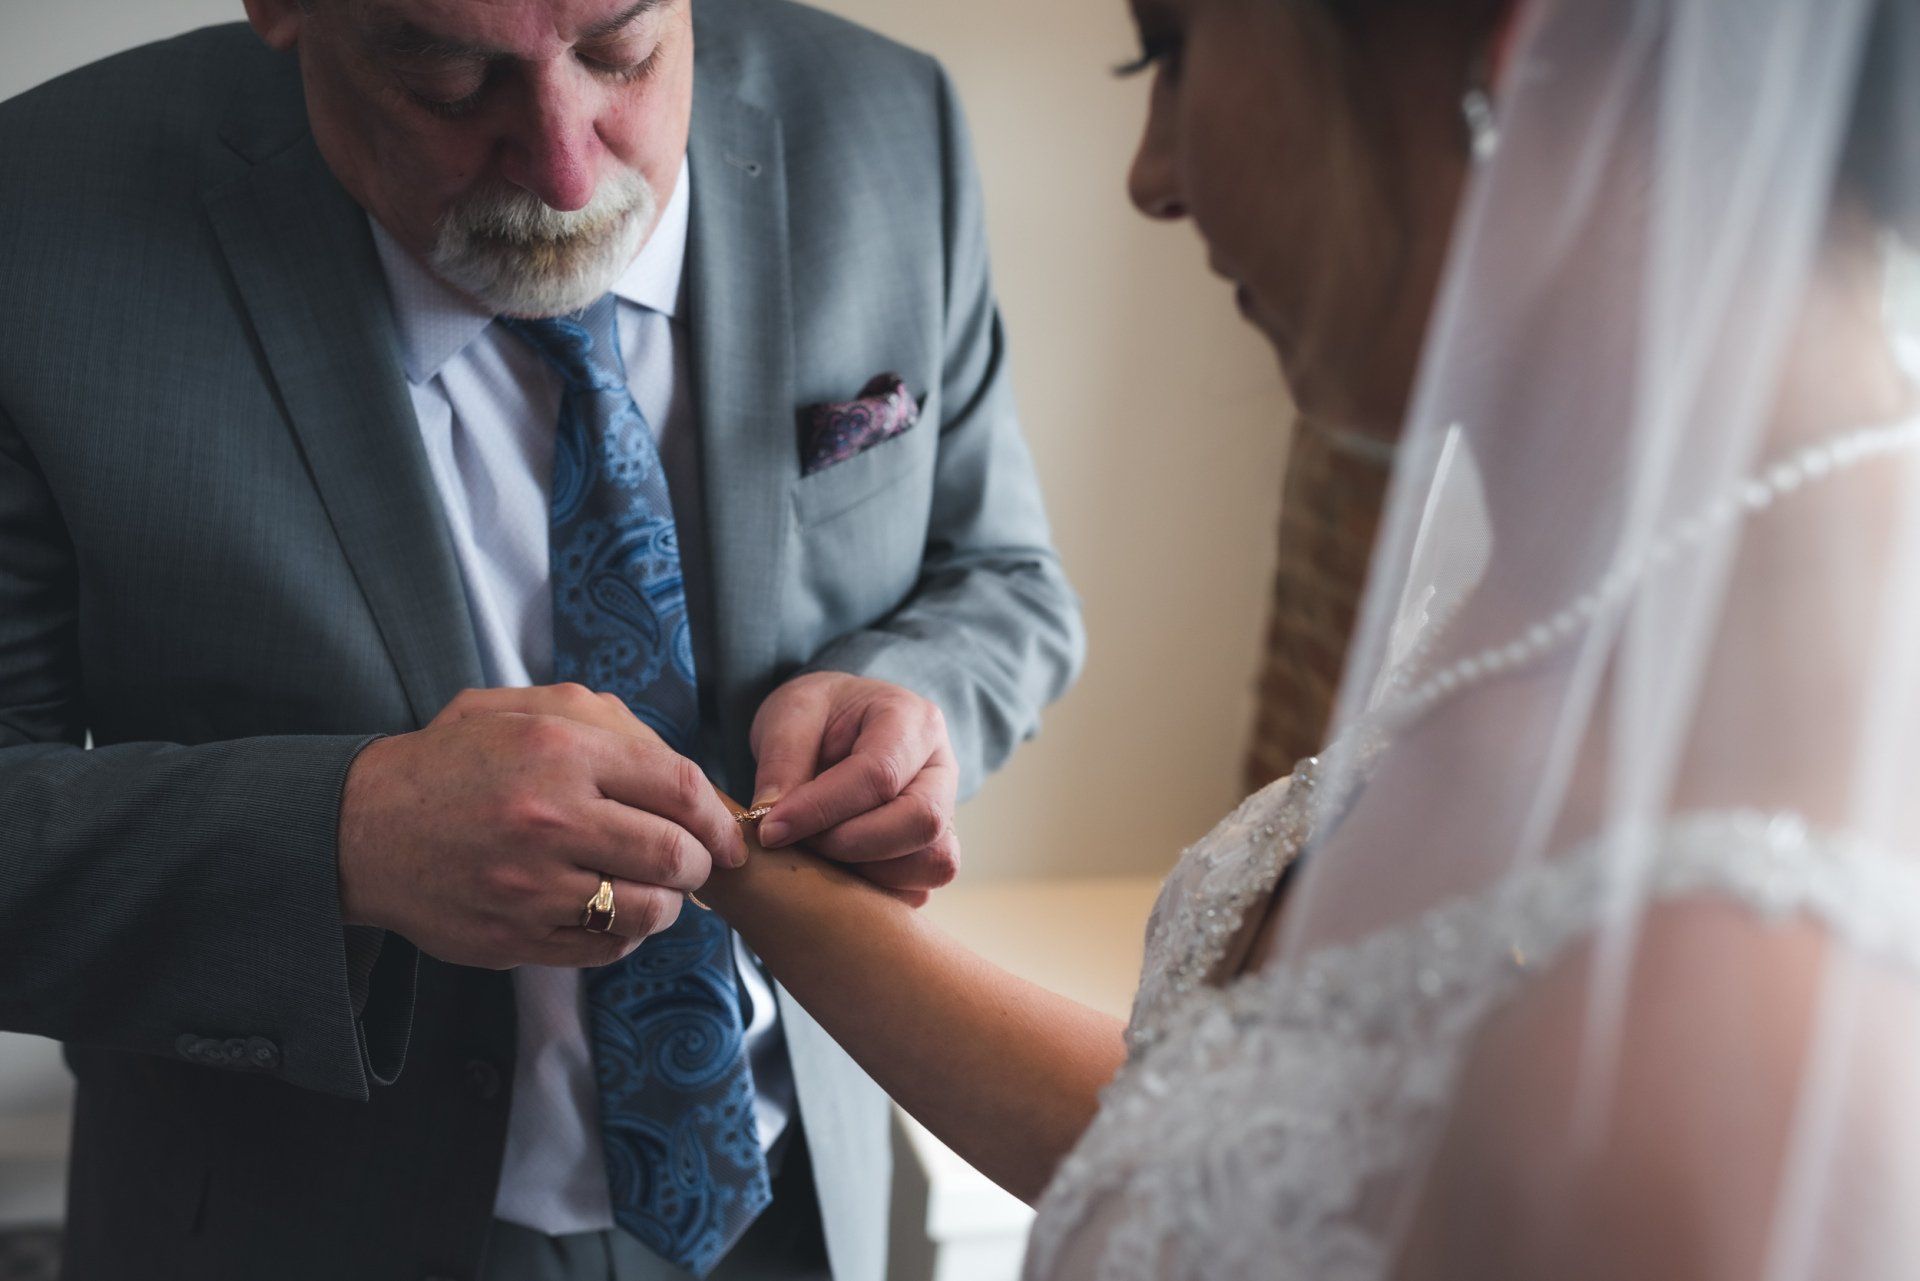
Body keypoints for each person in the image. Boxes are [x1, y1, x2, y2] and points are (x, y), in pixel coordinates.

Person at [509, 0, 1920, 1275]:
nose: (1152, 173)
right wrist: (737, 864)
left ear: (1524, 57)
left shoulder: (1749, 1022)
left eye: (1171, 48)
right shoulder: (1573, 564)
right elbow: (1248, 1158)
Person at [0, 0, 1084, 1277]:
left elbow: (1003, 581)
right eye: (449, 77)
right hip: (287, 1228)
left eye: (622, 50)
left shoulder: (892, 123)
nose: (568, 169)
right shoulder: (37, 219)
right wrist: (342, 836)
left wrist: (908, 703)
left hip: (801, 1205)